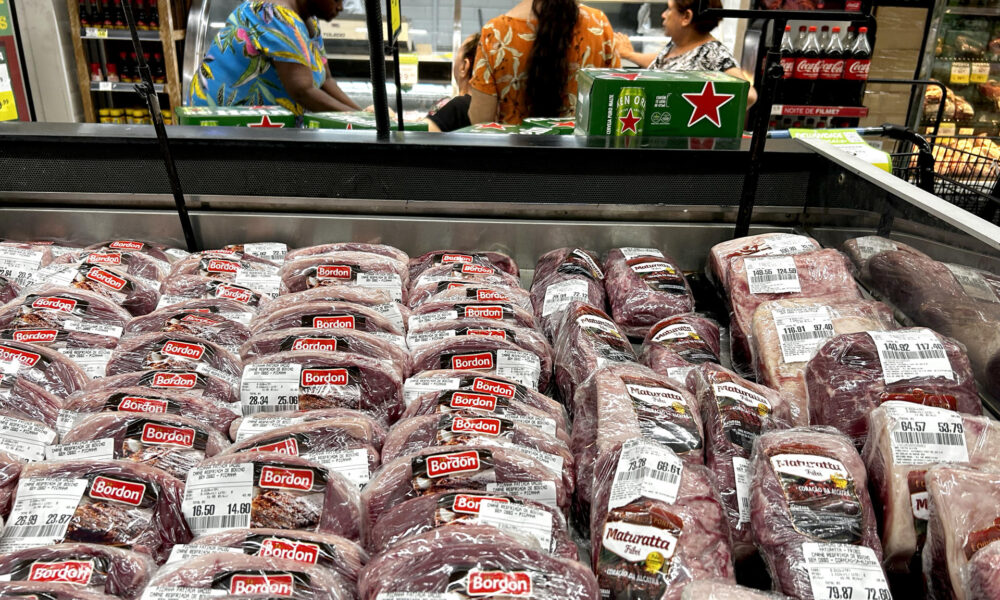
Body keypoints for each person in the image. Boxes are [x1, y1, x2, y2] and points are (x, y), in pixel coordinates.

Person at [189, 0, 362, 114]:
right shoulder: (274, 14)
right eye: (336, 0)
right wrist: (357, 119)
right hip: (222, 127)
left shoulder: (310, 22)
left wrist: (363, 115)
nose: (340, 7)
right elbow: (302, 91)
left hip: (260, 128)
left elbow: (326, 80)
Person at [467, 0, 620, 125]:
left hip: (515, 158)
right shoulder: (598, 25)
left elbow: (480, 119)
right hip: (581, 158)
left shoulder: (495, 33)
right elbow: (617, 103)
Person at [614, 0, 756, 106]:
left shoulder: (714, 53)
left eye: (669, 9)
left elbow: (749, 95)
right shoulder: (678, 45)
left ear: (686, 17)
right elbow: (667, 61)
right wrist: (629, 55)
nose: (663, 15)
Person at [425, 33, 480, 132]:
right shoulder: (492, 111)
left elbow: (418, 137)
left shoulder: (458, 107)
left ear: (464, 66)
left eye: (457, 55)